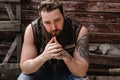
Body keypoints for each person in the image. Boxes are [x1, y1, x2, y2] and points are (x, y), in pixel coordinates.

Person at [17, 0, 89, 80]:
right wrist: (44, 56)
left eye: (57, 20)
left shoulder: (79, 31)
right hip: (41, 71)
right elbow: (25, 69)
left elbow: (82, 72)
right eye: (47, 22)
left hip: (68, 72)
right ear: (41, 20)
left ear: (64, 15)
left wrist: (65, 56)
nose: (54, 27)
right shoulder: (32, 29)